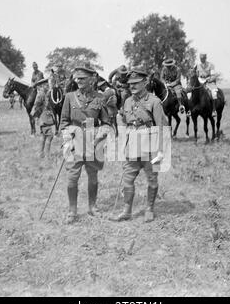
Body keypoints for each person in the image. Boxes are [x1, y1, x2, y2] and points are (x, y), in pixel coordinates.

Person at [111, 68, 168, 223]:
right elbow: (123, 118)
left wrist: (162, 150)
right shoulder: (128, 101)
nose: (133, 86)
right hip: (132, 147)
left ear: (145, 82)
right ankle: (127, 211)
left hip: (151, 148)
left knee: (152, 179)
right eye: (131, 84)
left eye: (136, 83)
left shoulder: (154, 102)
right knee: (127, 180)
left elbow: (162, 126)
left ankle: (149, 209)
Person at [60, 65, 112, 224]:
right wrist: (67, 138)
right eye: (77, 78)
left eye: (82, 78)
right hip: (75, 144)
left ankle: (92, 207)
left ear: (92, 79)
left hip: (94, 144)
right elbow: (63, 122)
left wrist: (100, 136)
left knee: (93, 178)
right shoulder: (69, 97)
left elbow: (106, 122)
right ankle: (72, 210)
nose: (78, 81)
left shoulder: (100, 98)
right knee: (71, 179)